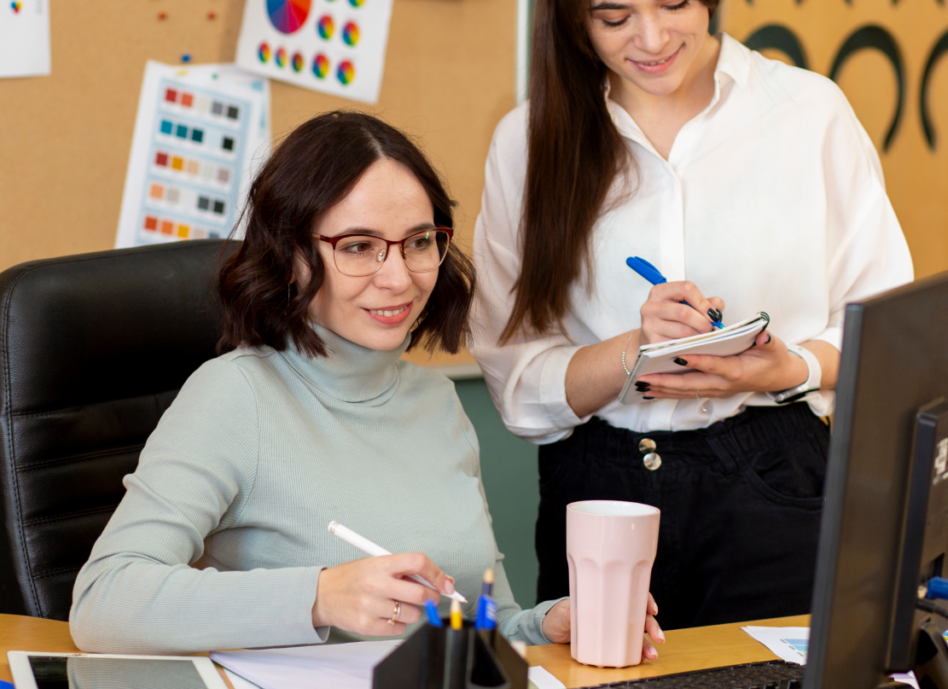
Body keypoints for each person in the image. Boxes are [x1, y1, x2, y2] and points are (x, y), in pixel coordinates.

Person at [70, 111, 662, 657]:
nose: (399, 277)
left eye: (419, 242)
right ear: (291, 256)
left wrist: (544, 624)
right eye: (358, 247)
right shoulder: (234, 397)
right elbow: (103, 599)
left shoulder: (437, 403)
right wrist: (319, 596)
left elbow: (481, 621)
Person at [470, 0, 913, 631]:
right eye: (614, 18)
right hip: (600, 491)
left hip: (775, 479)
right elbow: (515, 379)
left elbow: (888, 332)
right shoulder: (528, 141)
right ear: (574, 19)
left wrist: (788, 367)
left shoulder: (809, 114)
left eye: (674, 3)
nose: (651, 39)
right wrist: (634, 351)